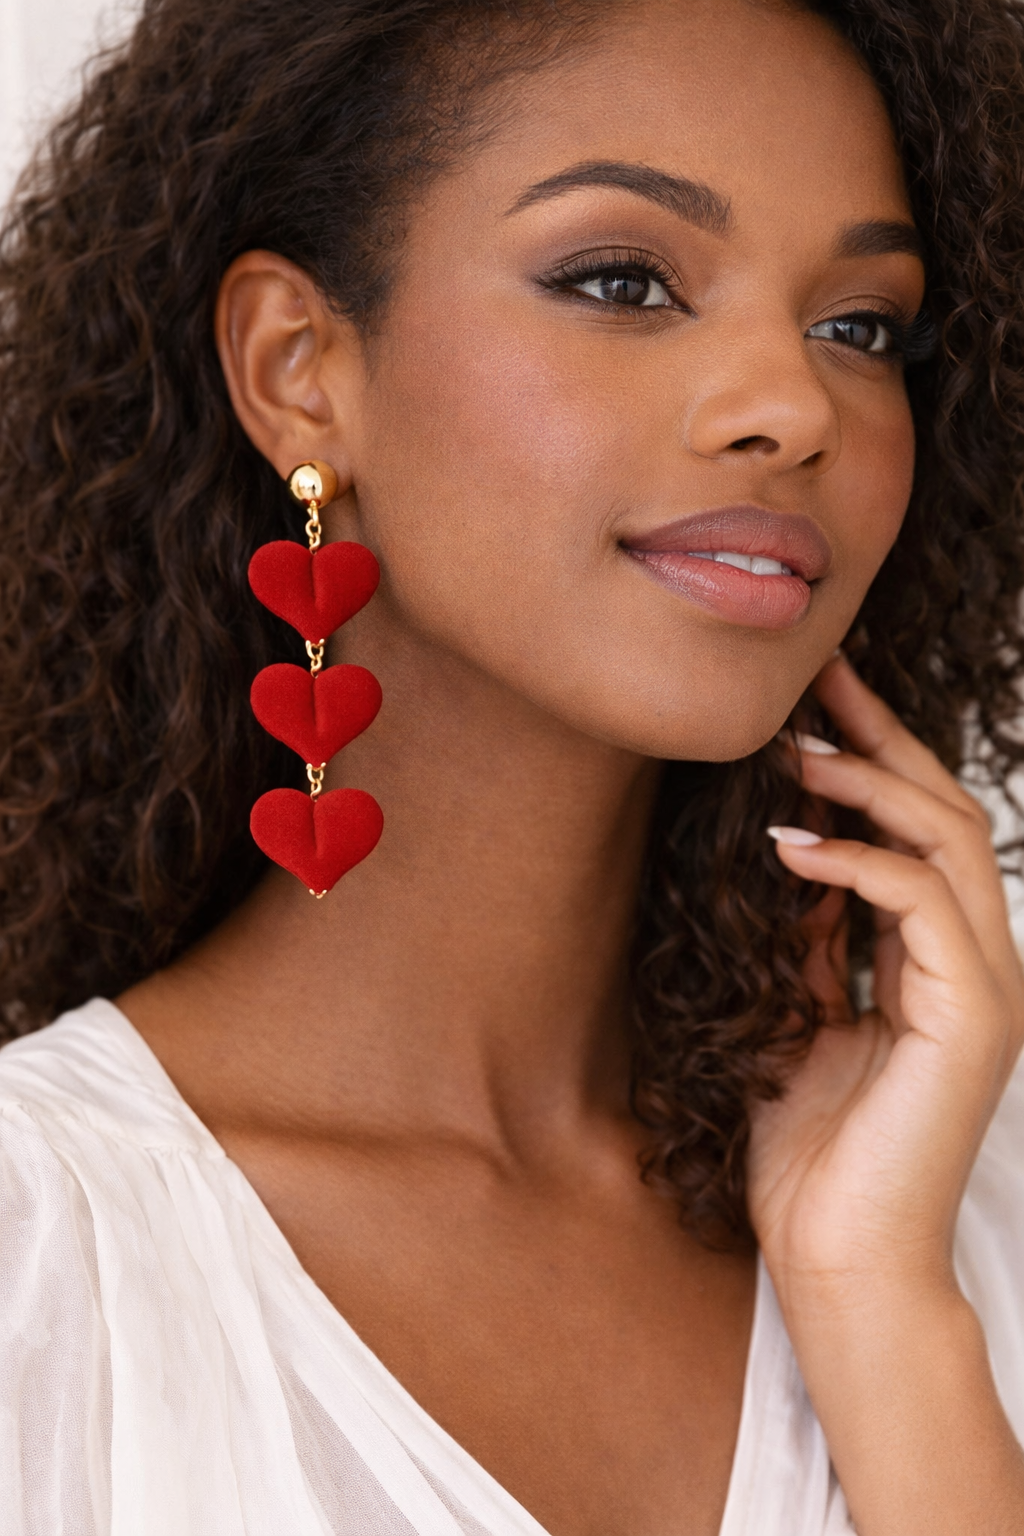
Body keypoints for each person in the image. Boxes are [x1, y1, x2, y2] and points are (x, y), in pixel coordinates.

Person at [1, 0, 1024, 1530]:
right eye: (623, 280)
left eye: (859, 325)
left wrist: (882, 1306)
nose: (792, 408)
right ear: (300, 369)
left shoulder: (952, 1200)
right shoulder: (39, 1251)